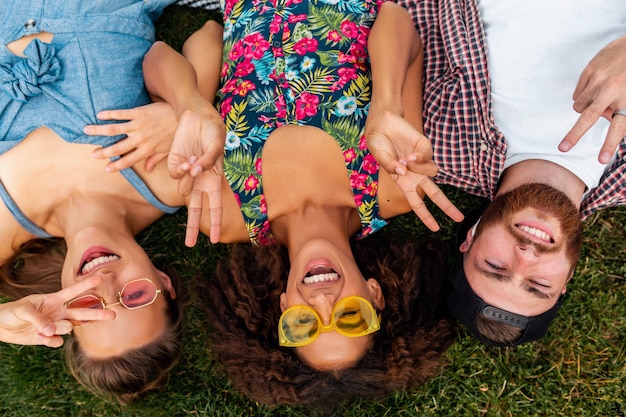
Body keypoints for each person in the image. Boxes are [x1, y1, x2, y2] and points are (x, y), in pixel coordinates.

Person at [98, 0, 463, 407]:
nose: (323, 302)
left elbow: (175, 49)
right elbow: (397, 18)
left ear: (284, 307)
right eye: (350, 317)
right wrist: (386, 106)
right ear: (375, 295)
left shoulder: (224, 212)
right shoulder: (392, 187)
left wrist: (189, 107)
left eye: (304, 324)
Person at [394, 0, 626, 346]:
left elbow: (397, 17)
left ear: (470, 239)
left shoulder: (437, 143)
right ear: (568, 276)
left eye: (495, 266)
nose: (526, 258)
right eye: (539, 285)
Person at [0, 0, 188, 404]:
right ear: (163, 283)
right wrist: (185, 111)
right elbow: (207, 38)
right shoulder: (170, 180)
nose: (103, 282)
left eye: (88, 307)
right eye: (134, 296)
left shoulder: (6, 226)